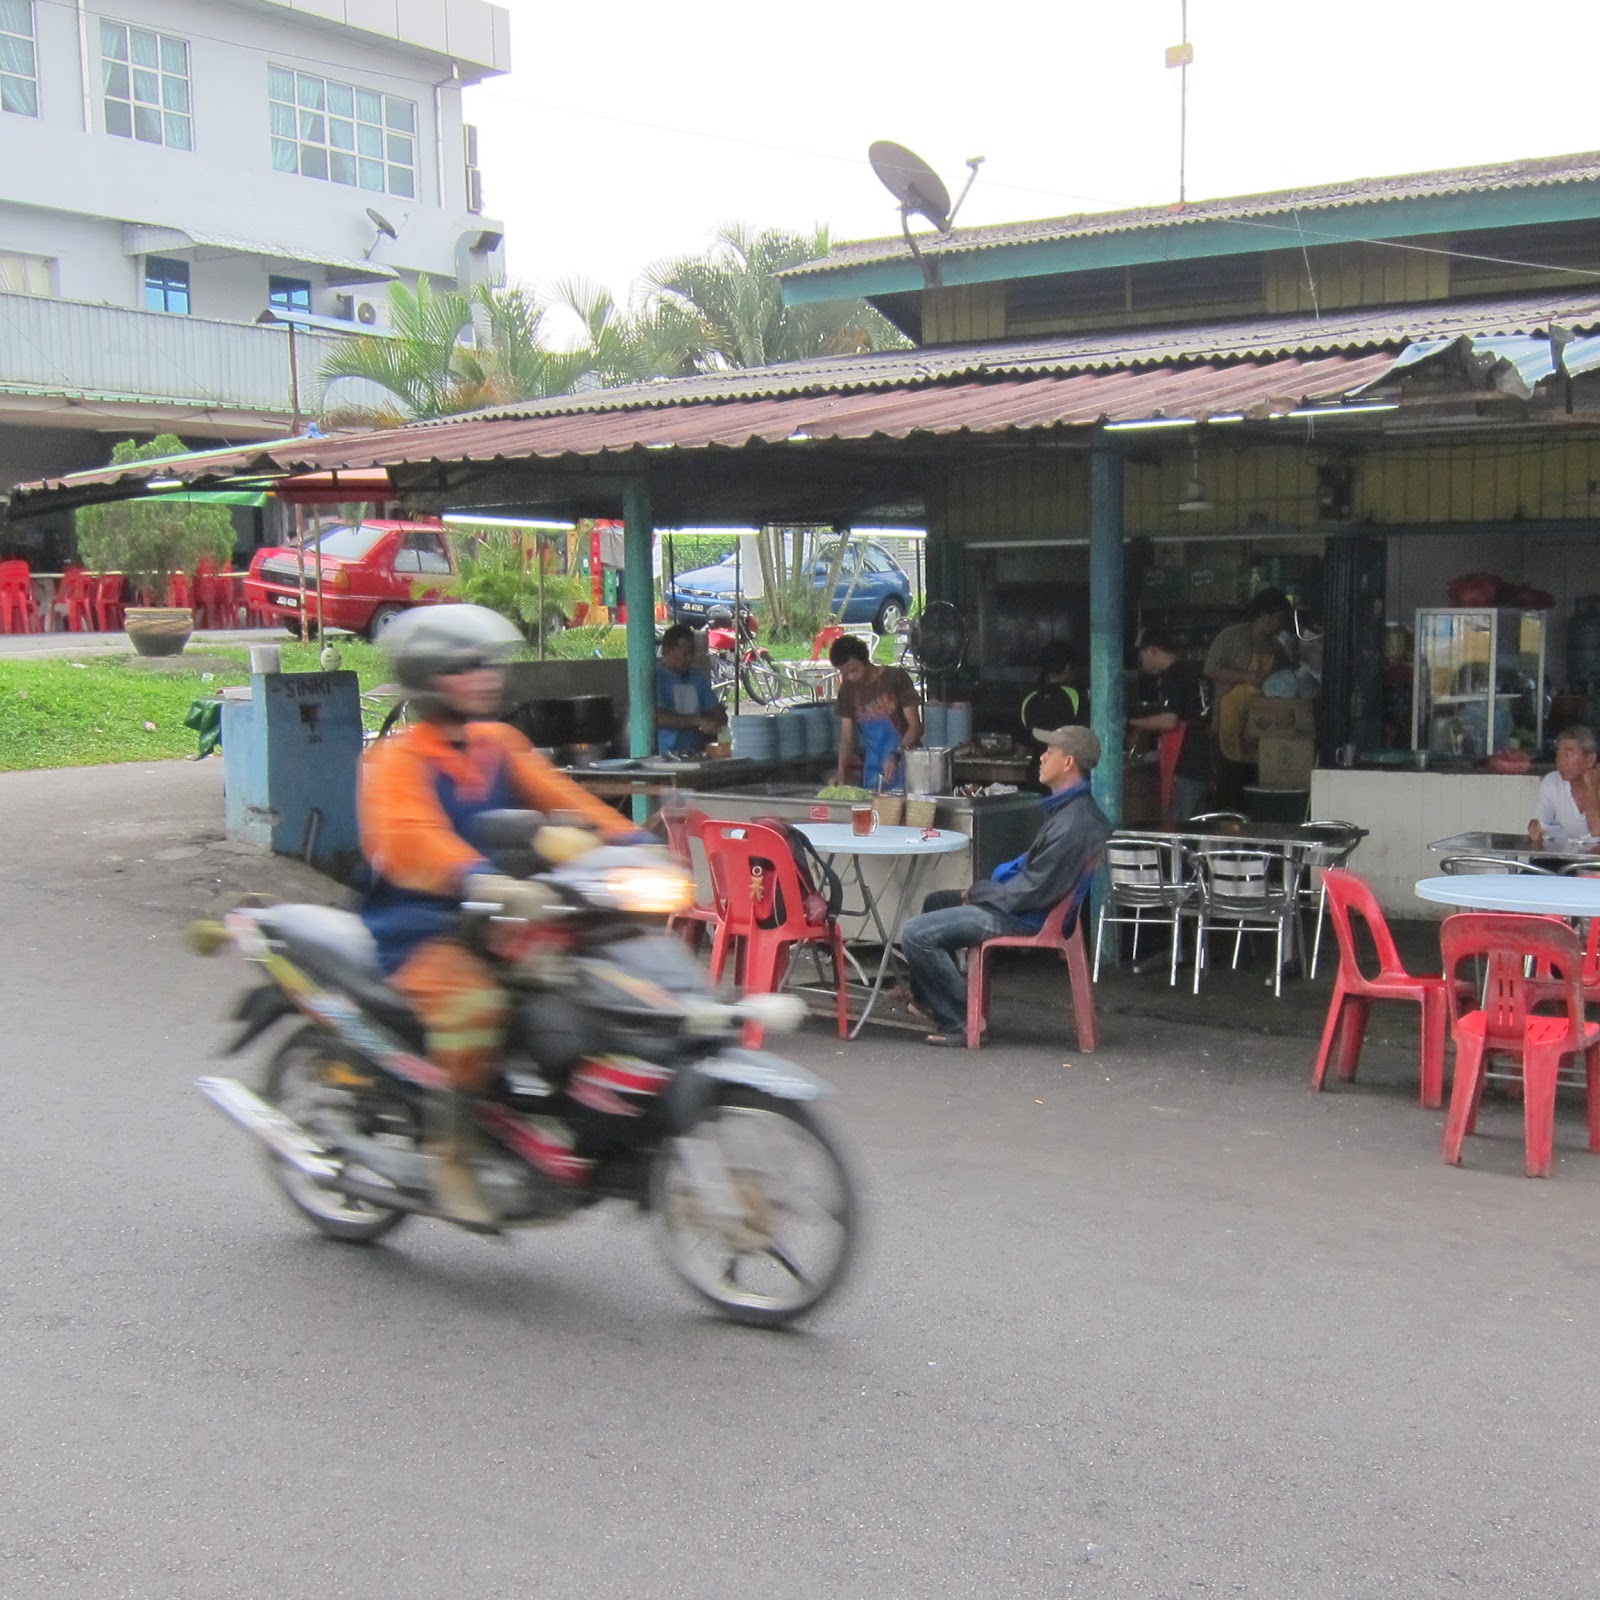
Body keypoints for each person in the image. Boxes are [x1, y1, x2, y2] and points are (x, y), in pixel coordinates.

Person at [359, 605, 636, 1230]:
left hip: (500, 916)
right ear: (430, 678)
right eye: (467, 667)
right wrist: (478, 878)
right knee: (477, 1008)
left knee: (590, 986)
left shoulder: (499, 745)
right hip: (419, 926)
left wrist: (639, 847)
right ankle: (450, 1152)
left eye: (489, 665)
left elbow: (570, 803)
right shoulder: (396, 761)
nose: (487, 676)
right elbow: (413, 839)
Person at [899, 725, 1112, 1046]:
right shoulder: (1071, 809)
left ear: (1068, 763)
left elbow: (1031, 891)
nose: (1041, 758)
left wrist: (979, 894)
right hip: (1028, 903)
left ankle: (962, 1020)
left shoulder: (1073, 822)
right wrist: (979, 892)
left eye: (1049, 752)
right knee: (935, 902)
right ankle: (929, 1000)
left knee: (916, 933)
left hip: (1026, 915)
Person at [1204, 588, 1292, 808]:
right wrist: (1247, 677)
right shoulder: (1231, 637)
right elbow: (1210, 668)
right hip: (1226, 723)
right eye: (1279, 618)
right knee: (1225, 788)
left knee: (1253, 790)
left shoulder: (1277, 648)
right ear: (1265, 615)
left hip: (1260, 729)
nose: (1280, 625)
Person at [1128, 629, 1211, 821]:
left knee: (1179, 832)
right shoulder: (1196, 670)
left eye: (1142, 655)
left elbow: (1169, 721)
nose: (1142, 662)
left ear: (1153, 650)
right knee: (1199, 828)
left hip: (1186, 763)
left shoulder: (1173, 675)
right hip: (1206, 761)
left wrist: (1131, 722)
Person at [829, 634, 923, 793]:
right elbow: (846, 737)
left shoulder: (896, 678)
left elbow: (915, 727)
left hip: (907, 766)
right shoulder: (847, 690)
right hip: (873, 770)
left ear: (865, 660)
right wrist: (841, 772)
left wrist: (896, 755)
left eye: (854, 670)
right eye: (845, 674)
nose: (851, 677)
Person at [1018, 642, 1087, 787]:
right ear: (1068, 667)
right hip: (1066, 780)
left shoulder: (1029, 699)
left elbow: (1021, 750)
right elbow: (1086, 740)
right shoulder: (1076, 697)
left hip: (1036, 780)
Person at [655, 622, 725, 757]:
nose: (689, 659)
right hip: (666, 754)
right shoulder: (657, 678)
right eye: (685, 654)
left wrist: (717, 718)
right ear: (666, 651)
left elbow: (714, 708)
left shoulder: (696, 677)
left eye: (692, 653)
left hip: (699, 752)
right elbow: (658, 717)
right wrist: (697, 721)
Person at [1528, 724, 1600, 846]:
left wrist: (1591, 787)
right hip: (1565, 858)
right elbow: (1541, 824)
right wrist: (1534, 827)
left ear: (1590, 759)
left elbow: (1597, 831)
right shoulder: (1552, 782)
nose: (1561, 762)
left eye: (1569, 754)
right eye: (1558, 754)